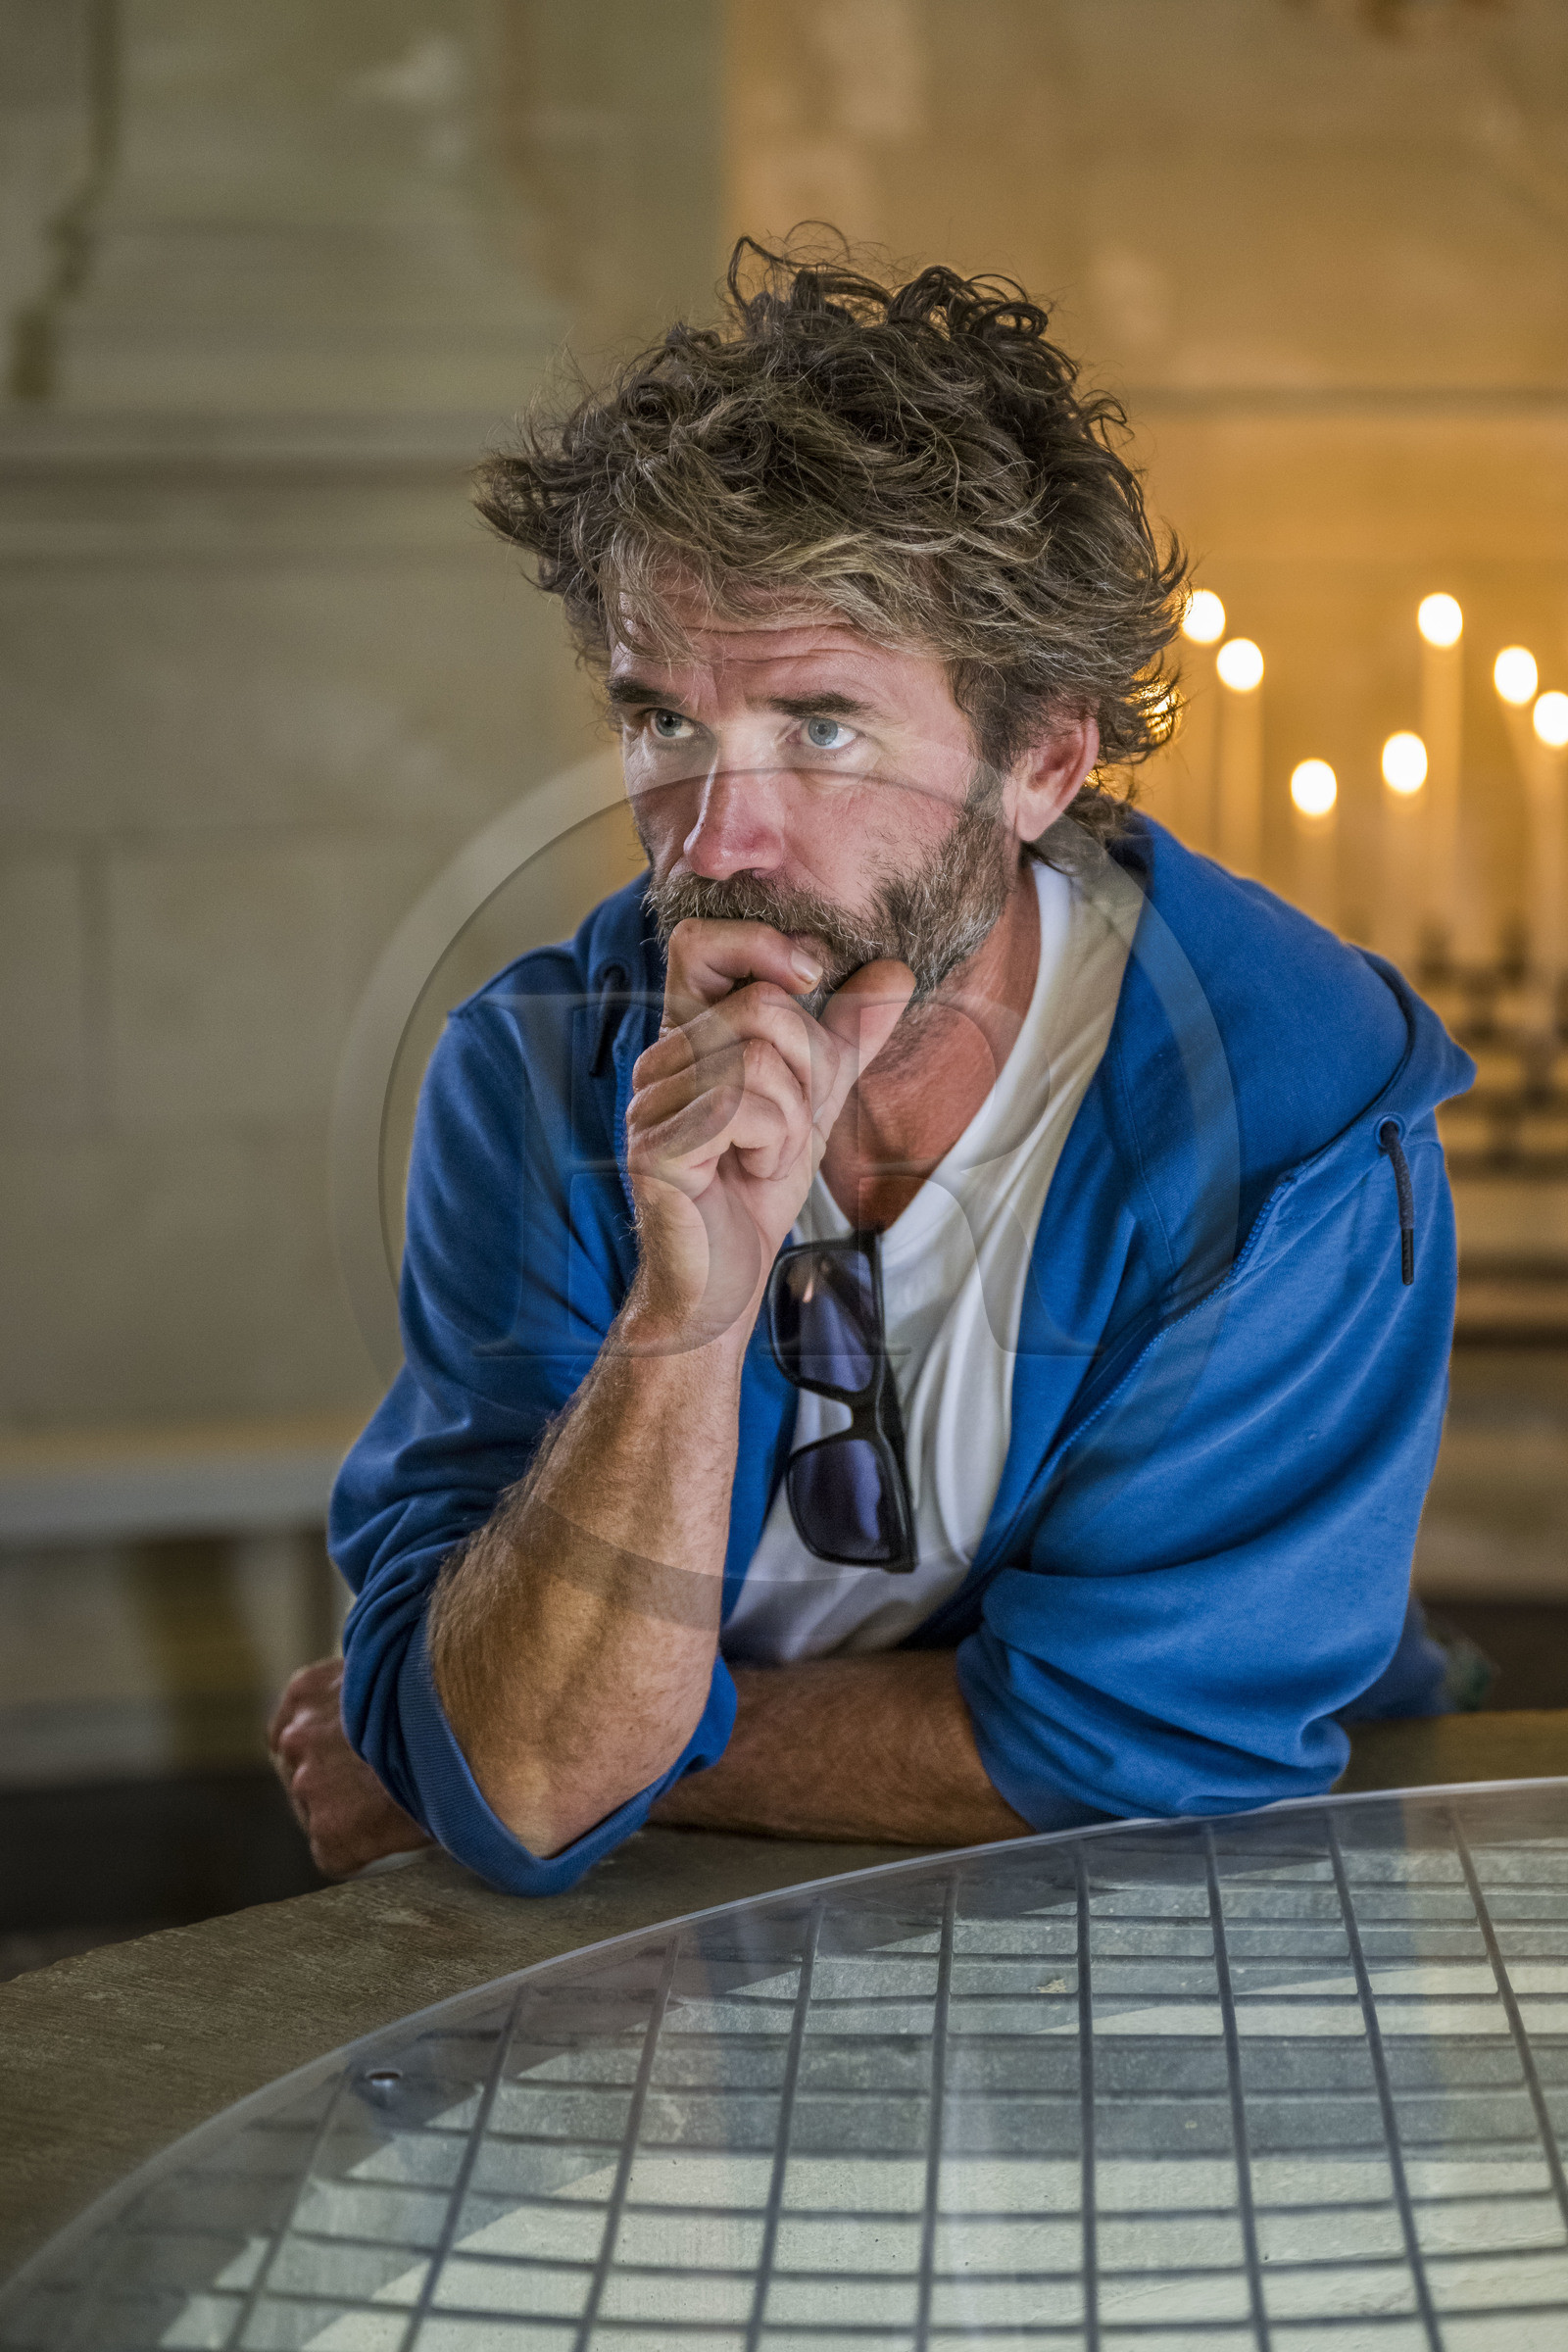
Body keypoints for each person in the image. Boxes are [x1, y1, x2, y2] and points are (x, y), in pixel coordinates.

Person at [270, 243, 1473, 1889]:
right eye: (663, 722)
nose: (716, 842)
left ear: (1041, 761)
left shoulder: (1297, 1121)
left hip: (1240, 1910)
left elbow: (1147, 1747)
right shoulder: (534, 1080)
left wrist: (583, 1757)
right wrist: (691, 1303)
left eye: (822, 728)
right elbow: (525, 1767)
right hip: (671, 1958)